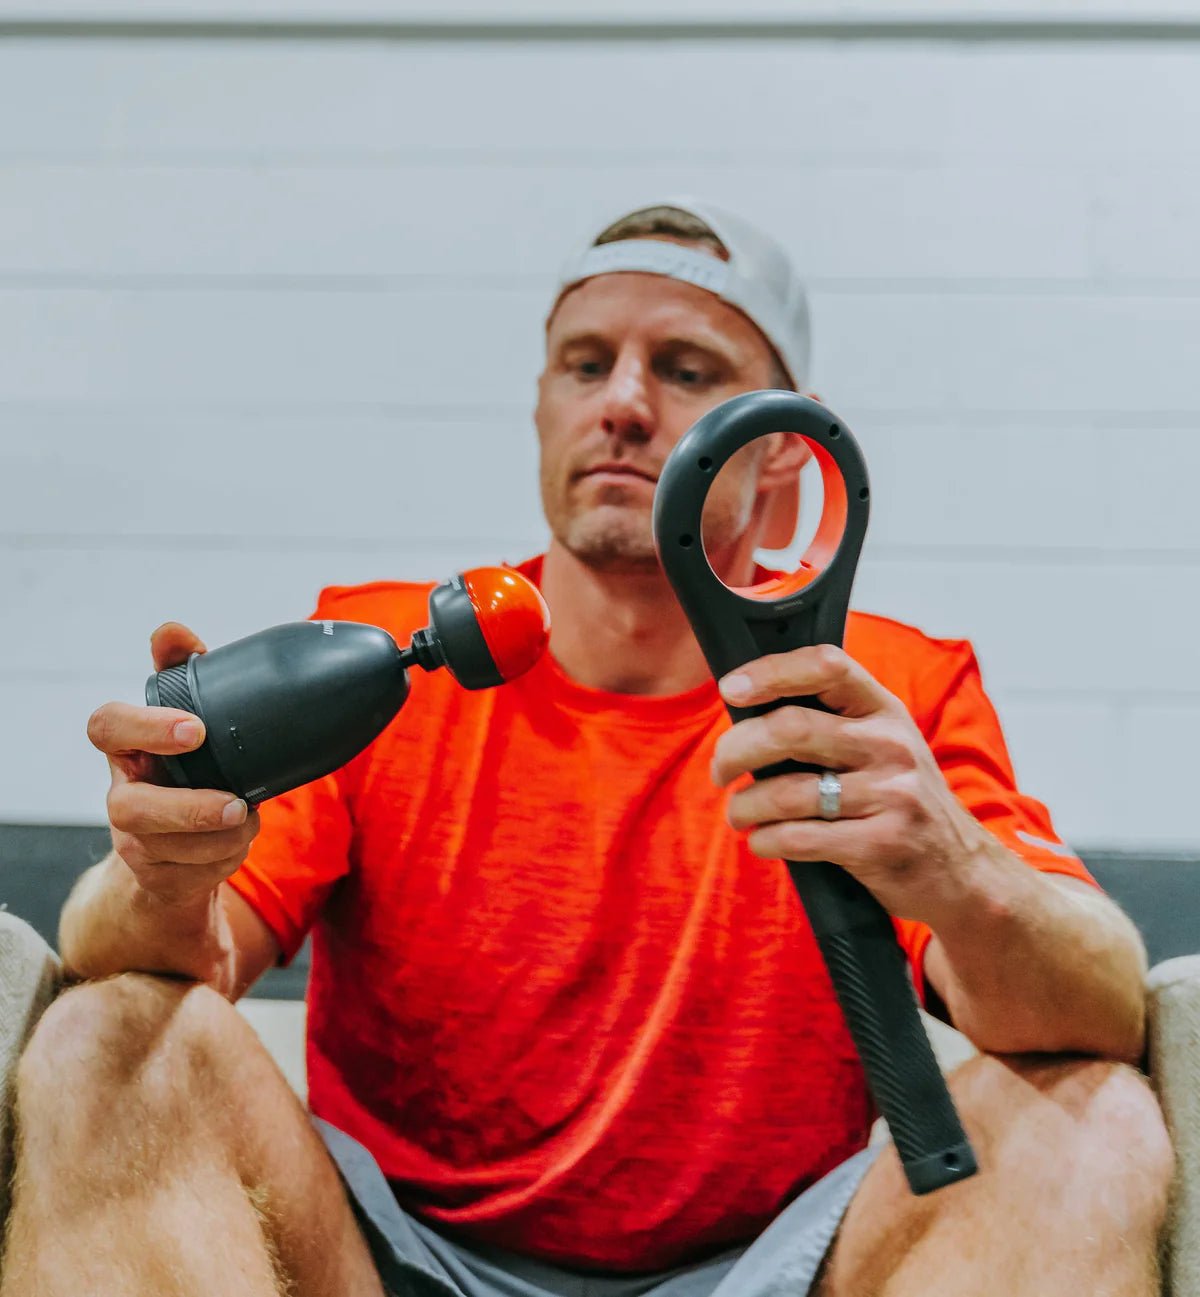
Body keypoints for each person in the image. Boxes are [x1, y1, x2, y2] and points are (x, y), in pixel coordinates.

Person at [2, 201, 1172, 1297]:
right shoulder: (380, 652)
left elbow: (1106, 1010)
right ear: (543, 410)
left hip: (771, 1265)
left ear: (779, 448)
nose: (622, 402)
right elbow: (140, 964)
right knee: (108, 1037)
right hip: (394, 1254)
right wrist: (162, 871)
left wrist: (956, 871)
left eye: (686, 370)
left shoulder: (884, 689)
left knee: (1096, 1121)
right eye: (585, 362)